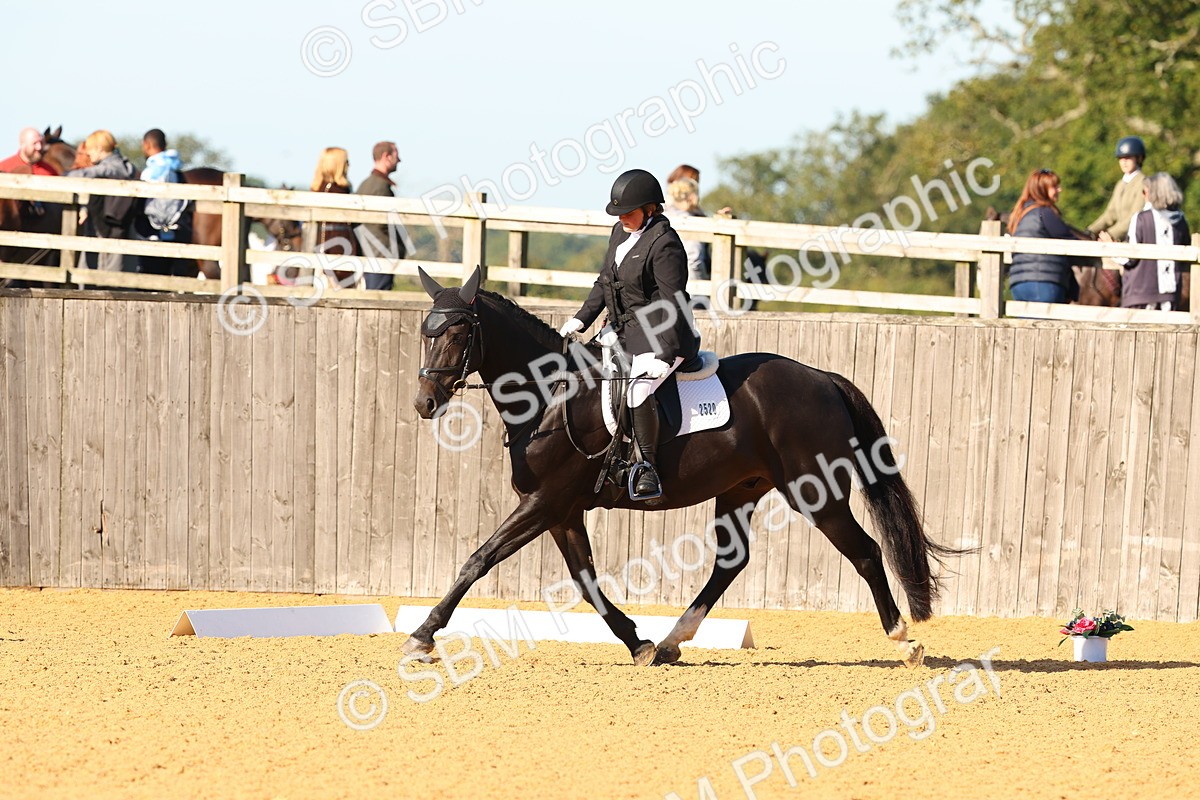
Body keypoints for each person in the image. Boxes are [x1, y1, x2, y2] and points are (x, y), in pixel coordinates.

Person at [558, 168, 699, 500]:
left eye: (629, 212)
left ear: (650, 209)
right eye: (618, 213)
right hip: (622, 333)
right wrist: (581, 319)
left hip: (662, 335)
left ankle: (647, 467)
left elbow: (672, 302)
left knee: (636, 390)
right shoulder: (619, 234)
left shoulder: (665, 243)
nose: (622, 218)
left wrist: (665, 355)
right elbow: (604, 281)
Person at [1101, 172, 1191, 310]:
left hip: (1141, 294)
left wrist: (1111, 247)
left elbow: (1130, 258)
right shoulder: (1180, 220)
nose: (1143, 195)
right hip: (1170, 294)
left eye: (1145, 191)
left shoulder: (1142, 218)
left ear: (1152, 193)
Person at [66, 130, 138, 272]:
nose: (88, 154)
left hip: (106, 231)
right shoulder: (124, 165)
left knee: (104, 277)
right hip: (115, 230)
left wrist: (65, 177)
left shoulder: (112, 167)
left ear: (99, 149)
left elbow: (95, 173)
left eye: (90, 150)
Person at [1006, 169, 1080, 303]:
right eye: (1055, 187)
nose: (1059, 190)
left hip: (1018, 283)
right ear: (1042, 189)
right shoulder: (1044, 213)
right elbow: (1070, 240)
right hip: (1043, 282)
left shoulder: (1020, 214)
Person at [136, 128, 192, 275]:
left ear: (147, 144)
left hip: (153, 230)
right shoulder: (174, 168)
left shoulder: (150, 172)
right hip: (175, 229)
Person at [355, 140, 405, 291]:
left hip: (373, 253)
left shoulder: (368, 183)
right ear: (386, 156)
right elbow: (381, 224)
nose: (399, 160)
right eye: (396, 155)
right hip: (379, 255)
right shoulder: (380, 186)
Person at [310, 147, 359, 287]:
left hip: (333, 250)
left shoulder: (320, 188)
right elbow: (329, 230)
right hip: (337, 251)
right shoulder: (334, 190)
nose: (348, 165)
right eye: (346, 161)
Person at [1087, 136, 1147, 241]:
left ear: (1139, 158)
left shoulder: (1143, 183)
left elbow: (1135, 217)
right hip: (1119, 239)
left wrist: (1111, 234)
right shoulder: (1120, 184)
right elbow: (1110, 214)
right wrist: (1091, 230)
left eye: (1128, 158)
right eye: (1121, 158)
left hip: (1134, 239)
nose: (1124, 162)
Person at [662, 175, 710, 284]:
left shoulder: (661, 216)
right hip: (689, 284)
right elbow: (694, 257)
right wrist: (703, 280)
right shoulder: (693, 222)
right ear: (693, 197)